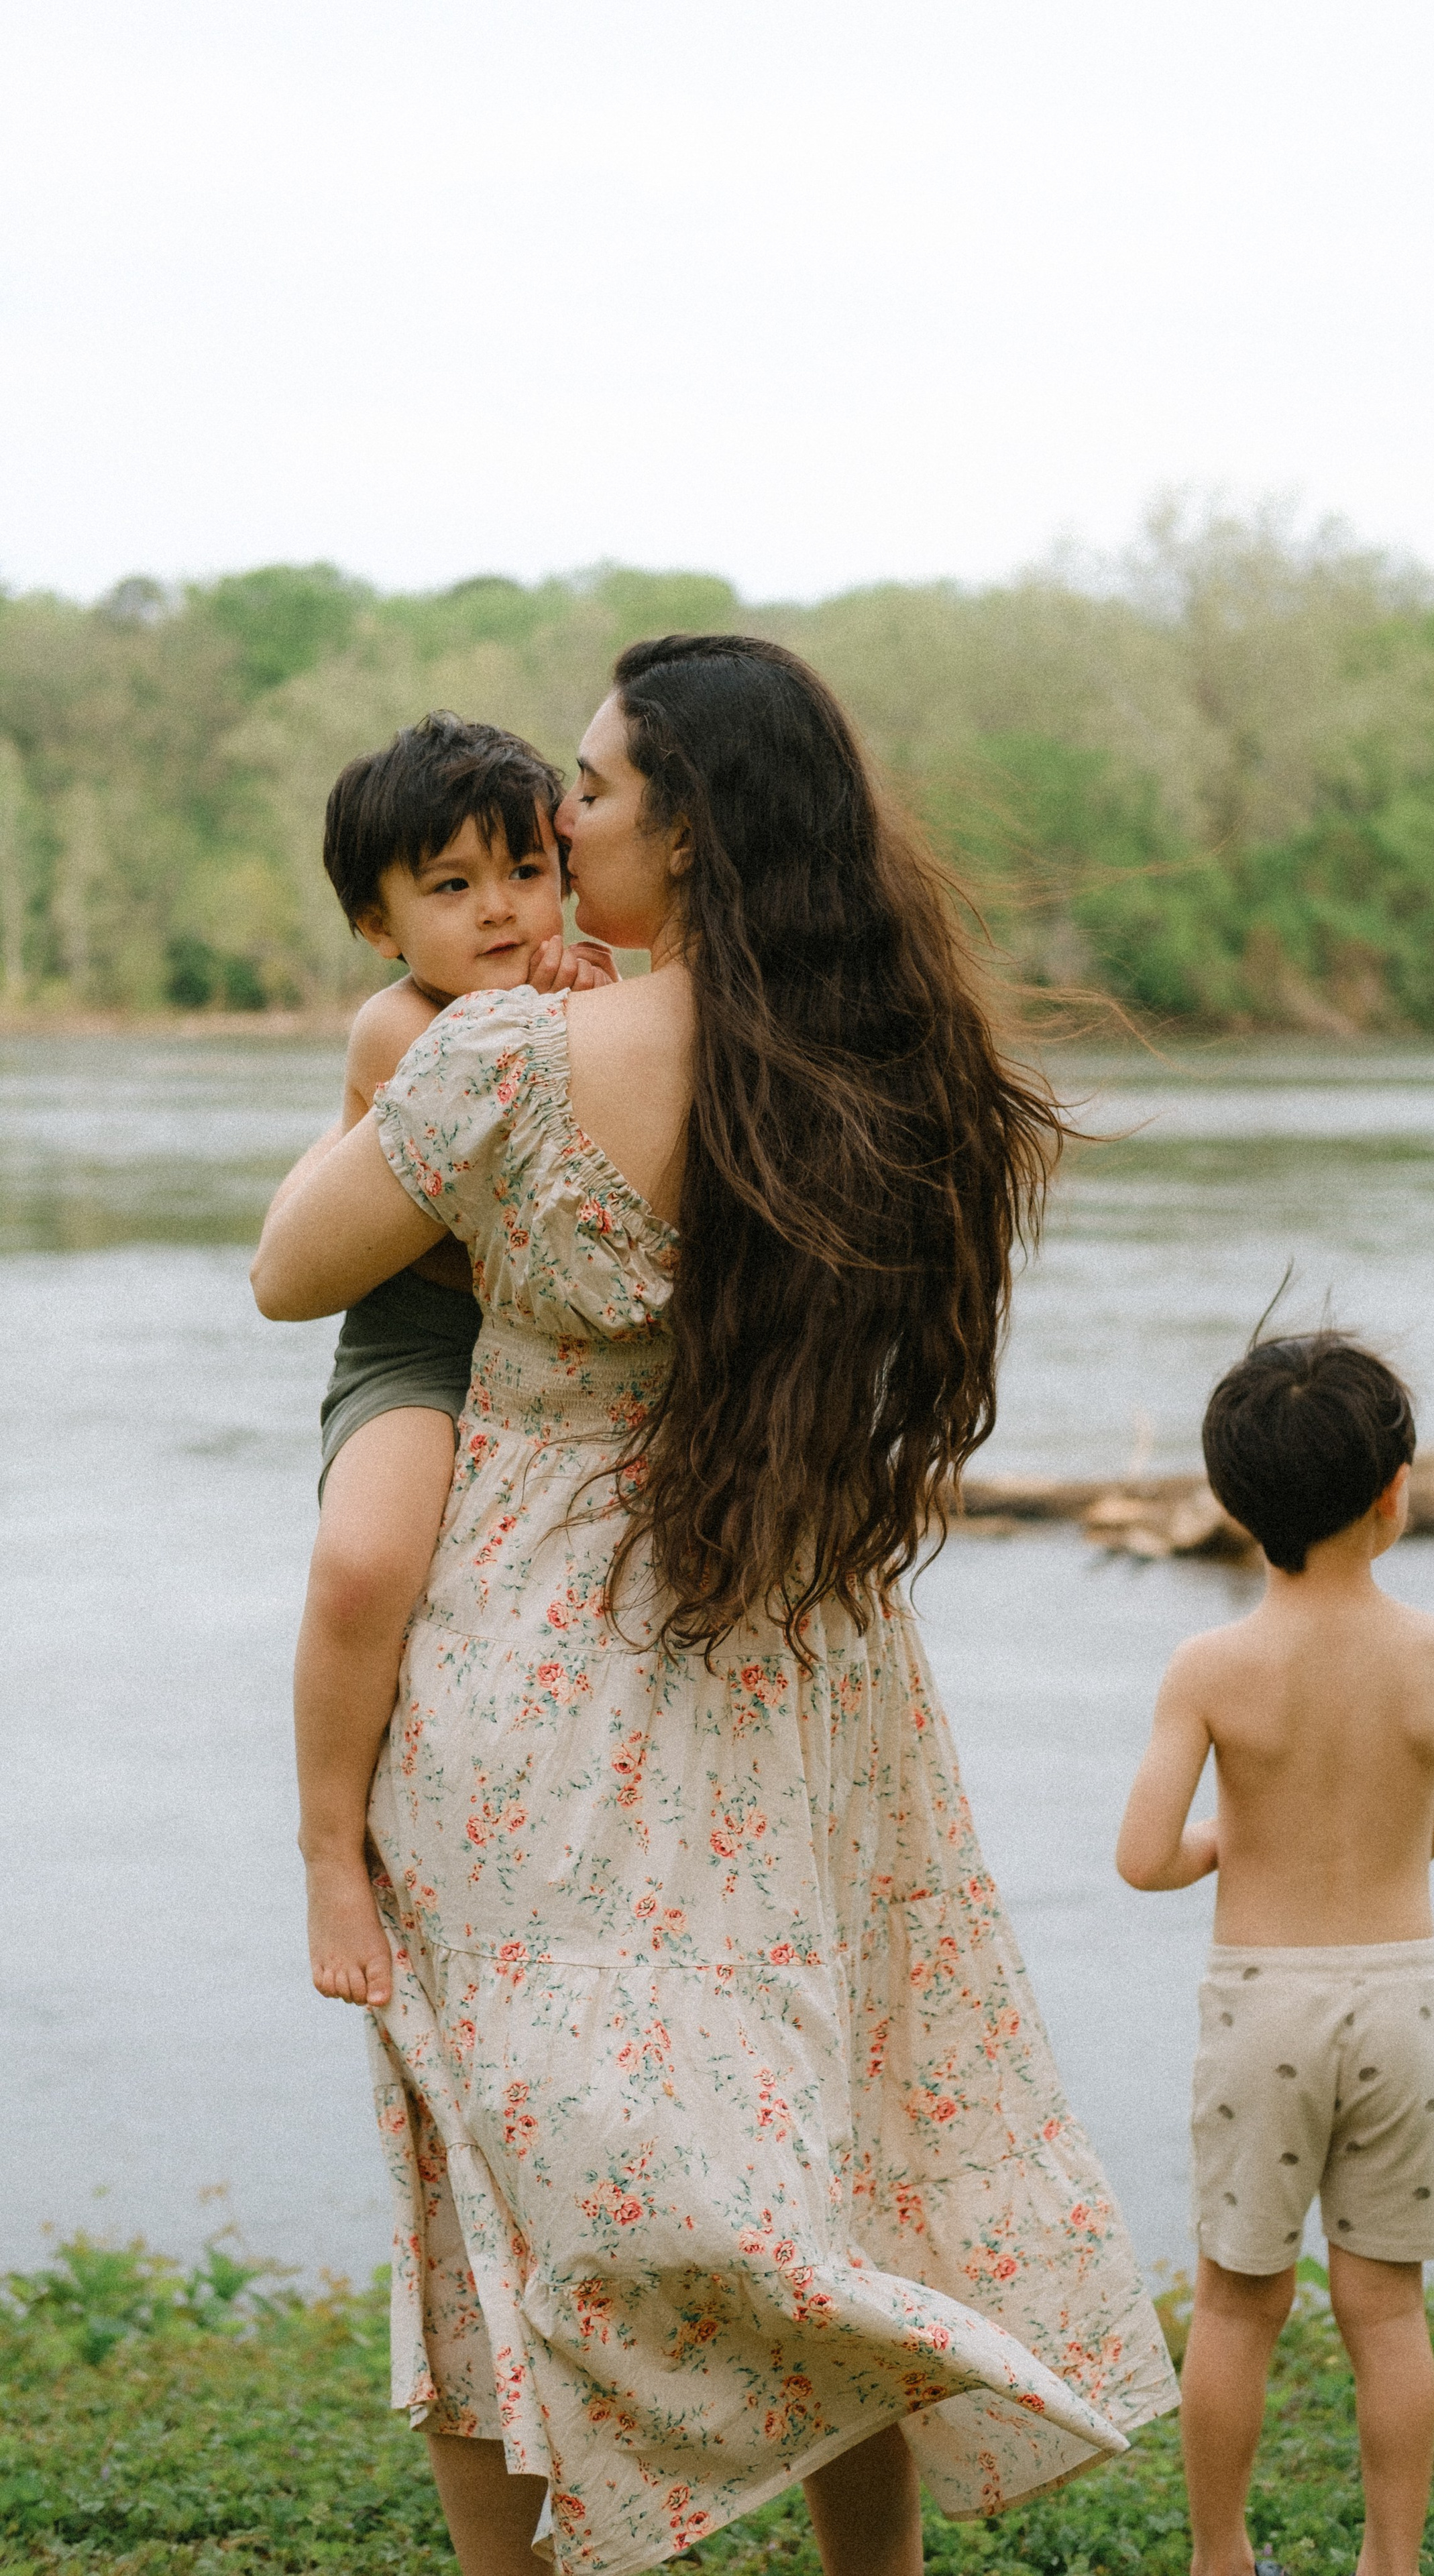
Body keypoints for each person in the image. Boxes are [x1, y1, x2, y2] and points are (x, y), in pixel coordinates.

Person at [252, 634, 1178, 2576]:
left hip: (542, 1651)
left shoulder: (505, 1052)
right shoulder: (879, 1063)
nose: (554, 827)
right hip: (797, 1644)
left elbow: (293, 1271)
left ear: (685, 833)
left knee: (500, 2155)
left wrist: (386, 1064)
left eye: (584, 795)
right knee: (837, 2133)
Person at [1115, 1332, 1434, 2576]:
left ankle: (1222, 2558)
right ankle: (1392, 2564)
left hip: (1263, 2009)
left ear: (1232, 1501)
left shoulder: (1210, 1664)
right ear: (1394, 1492)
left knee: (1235, 2305)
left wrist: (1234, 1837)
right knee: (1387, 2308)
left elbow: (1145, 1855)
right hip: (1400, 2001)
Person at [274, 712, 616, 2012]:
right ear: (379, 924)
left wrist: (598, 1006)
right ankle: (325, 1845)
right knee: (365, 1563)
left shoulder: (581, 996)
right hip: (419, 1344)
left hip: (558, 1353)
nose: (501, 911)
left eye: (526, 873)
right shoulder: (397, 1029)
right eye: (452, 886)